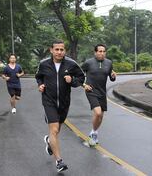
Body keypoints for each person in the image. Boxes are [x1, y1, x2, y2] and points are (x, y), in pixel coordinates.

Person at [35, 40, 85, 172]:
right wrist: (40, 85)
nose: (59, 52)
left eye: (61, 49)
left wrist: (72, 80)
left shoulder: (71, 64)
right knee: (54, 130)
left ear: (65, 51)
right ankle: (59, 162)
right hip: (48, 101)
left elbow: (81, 78)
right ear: (51, 50)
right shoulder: (44, 64)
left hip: (64, 102)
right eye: (56, 49)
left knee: (56, 131)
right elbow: (38, 76)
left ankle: (49, 142)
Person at [81, 44, 117, 146]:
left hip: (102, 92)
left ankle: (94, 132)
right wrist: (84, 85)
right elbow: (77, 74)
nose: (102, 53)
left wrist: (113, 76)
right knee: (97, 113)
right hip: (91, 91)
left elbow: (111, 76)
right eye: (99, 51)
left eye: (103, 51)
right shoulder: (88, 63)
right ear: (95, 52)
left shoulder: (109, 63)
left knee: (100, 116)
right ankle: (93, 134)